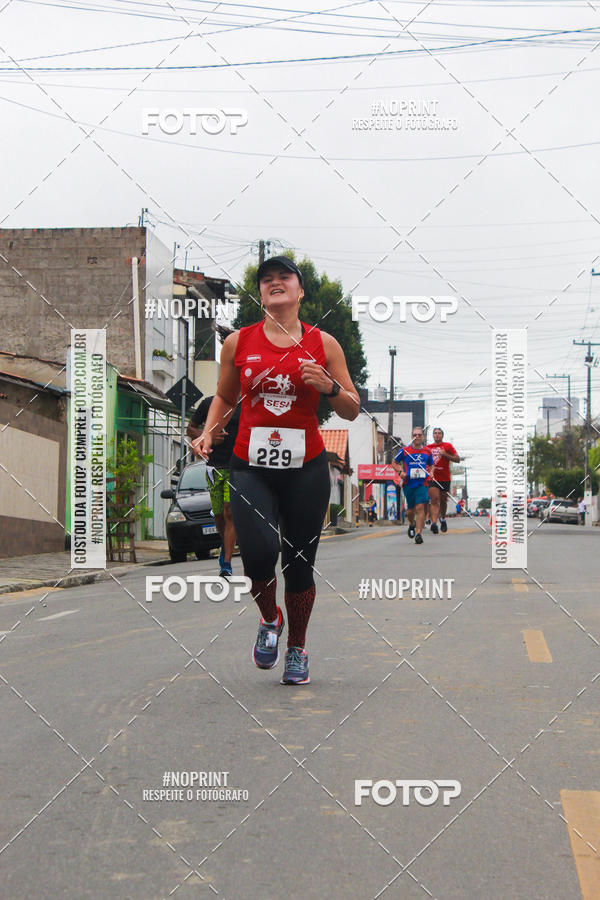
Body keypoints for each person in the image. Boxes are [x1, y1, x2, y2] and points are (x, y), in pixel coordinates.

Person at [192, 256, 359, 685]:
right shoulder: (239, 343)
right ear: (261, 293)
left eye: (284, 278)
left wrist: (330, 386)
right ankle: (270, 618)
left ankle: (298, 649)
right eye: (267, 280)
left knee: (299, 566)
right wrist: (211, 432)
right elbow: (226, 398)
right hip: (250, 466)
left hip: (305, 469)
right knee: (260, 554)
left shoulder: (325, 345)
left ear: (300, 291)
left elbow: (353, 409)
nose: (275, 283)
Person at [187, 395, 240, 577]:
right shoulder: (209, 404)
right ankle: (225, 543)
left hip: (236, 467)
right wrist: (207, 435)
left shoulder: (246, 406)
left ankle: (226, 562)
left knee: (229, 511)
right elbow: (191, 428)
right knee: (219, 517)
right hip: (214, 468)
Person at [392, 426, 433, 545]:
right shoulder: (405, 451)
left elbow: (431, 465)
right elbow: (394, 462)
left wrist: (431, 473)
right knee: (410, 511)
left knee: (420, 508)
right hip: (408, 484)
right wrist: (400, 472)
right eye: (415, 435)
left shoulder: (427, 452)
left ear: (423, 437)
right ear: (411, 437)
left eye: (420, 435)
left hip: (422, 484)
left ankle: (418, 533)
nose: (417, 437)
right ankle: (411, 524)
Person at [426, 427, 461, 534]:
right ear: (433, 435)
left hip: (444, 478)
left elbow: (457, 459)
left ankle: (443, 519)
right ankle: (434, 523)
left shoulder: (447, 446)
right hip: (432, 477)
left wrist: (445, 454)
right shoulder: (428, 448)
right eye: (435, 433)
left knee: (442, 500)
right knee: (434, 499)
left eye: (439, 433)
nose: (437, 435)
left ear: (442, 435)